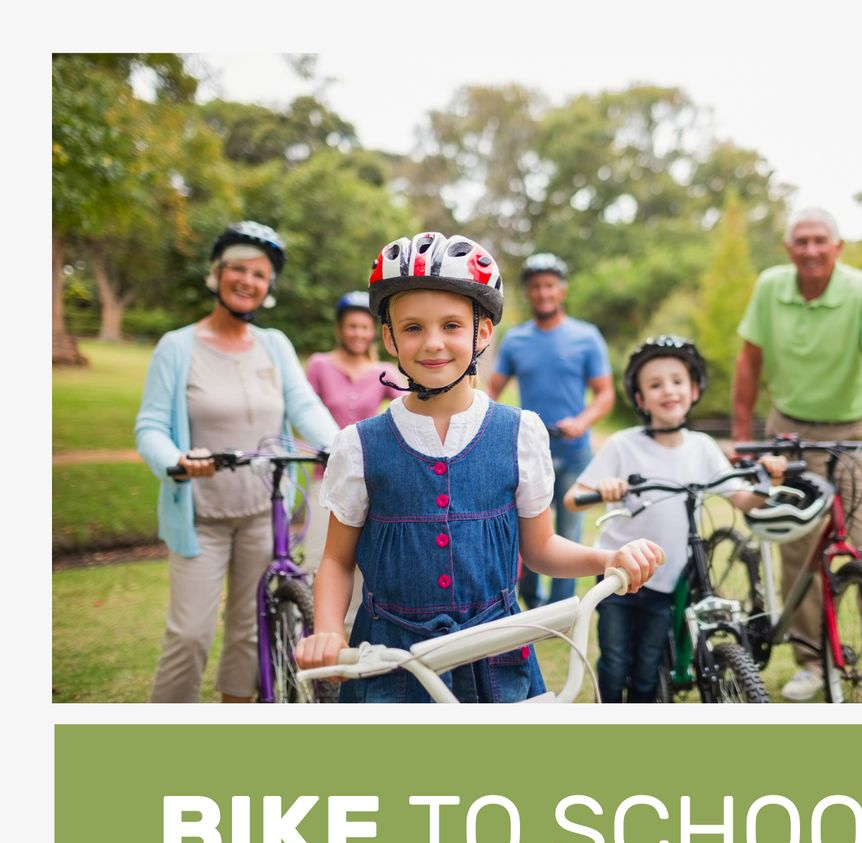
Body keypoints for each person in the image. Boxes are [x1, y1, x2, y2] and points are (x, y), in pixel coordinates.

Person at [294, 231, 662, 704]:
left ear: (482, 332)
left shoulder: (519, 433)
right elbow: (337, 561)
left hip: (498, 657)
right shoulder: (360, 446)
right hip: (391, 662)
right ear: (388, 336)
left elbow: (541, 547)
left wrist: (605, 558)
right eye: (412, 328)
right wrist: (328, 631)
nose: (432, 344)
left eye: (451, 325)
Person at [732, 207, 862, 702]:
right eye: (800, 241)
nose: (810, 250)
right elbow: (749, 363)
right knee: (798, 555)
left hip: (854, 431)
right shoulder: (770, 288)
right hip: (788, 435)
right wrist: (741, 437)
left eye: (820, 240)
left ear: (838, 247)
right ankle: (811, 661)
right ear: (787, 250)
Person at [135, 221, 338, 703]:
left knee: (251, 633)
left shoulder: (275, 345)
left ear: (268, 287)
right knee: (189, 634)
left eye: (259, 274)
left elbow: (304, 405)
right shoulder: (177, 347)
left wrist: (340, 444)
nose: (247, 280)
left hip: (261, 515)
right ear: (216, 274)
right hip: (200, 517)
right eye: (238, 269)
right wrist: (179, 460)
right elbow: (149, 428)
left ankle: (237, 721)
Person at [566, 337, 785, 703]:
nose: (668, 390)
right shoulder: (624, 444)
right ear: (640, 399)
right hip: (617, 575)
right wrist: (605, 487)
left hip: (665, 579)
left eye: (678, 381)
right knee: (616, 660)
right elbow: (573, 500)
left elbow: (743, 499)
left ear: (694, 389)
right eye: (655, 385)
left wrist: (768, 480)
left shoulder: (701, 447)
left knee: (649, 664)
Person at [488, 252, 614, 608]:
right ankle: (532, 603)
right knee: (527, 534)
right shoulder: (515, 340)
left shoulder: (586, 337)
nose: (543, 293)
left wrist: (582, 421)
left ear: (562, 290)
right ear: (528, 293)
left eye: (549, 286)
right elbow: (491, 389)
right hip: (528, 453)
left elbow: (605, 394)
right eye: (536, 288)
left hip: (575, 452)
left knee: (569, 532)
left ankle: (563, 612)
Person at [304, 291, 405, 624]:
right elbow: (303, 411)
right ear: (340, 329)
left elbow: (412, 400)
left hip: (368, 477)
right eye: (352, 327)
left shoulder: (383, 370)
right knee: (319, 556)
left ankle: (346, 633)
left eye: (364, 327)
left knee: (361, 563)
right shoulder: (320, 365)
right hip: (325, 475)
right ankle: (310, 627)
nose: (358, 333)